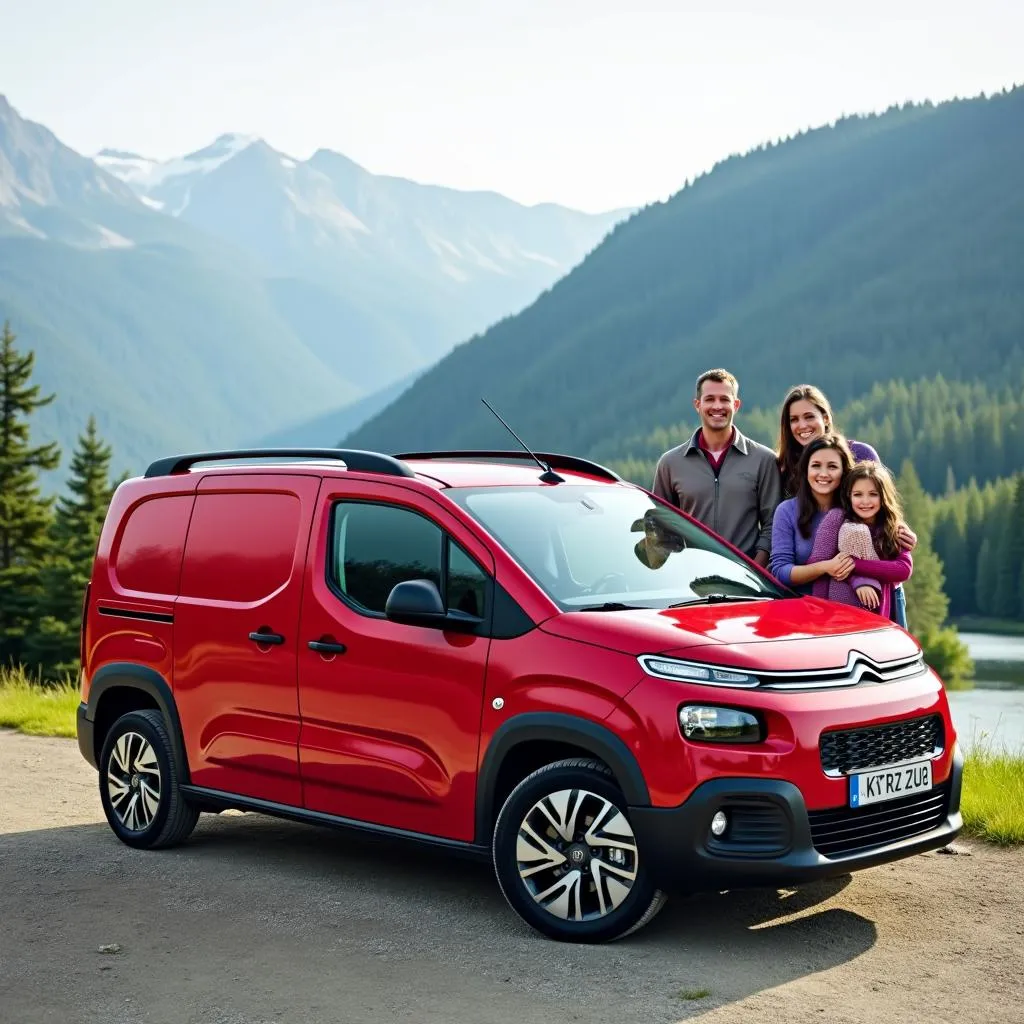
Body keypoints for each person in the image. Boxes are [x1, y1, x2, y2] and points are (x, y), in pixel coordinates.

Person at [775, 383, 915, 627]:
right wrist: (829, 567)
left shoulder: (859, 457)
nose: (802, 425)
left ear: (826, 417)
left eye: (810, 416)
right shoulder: (786, 474)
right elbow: (782, 564)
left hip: (878, 603)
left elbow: (880, 502)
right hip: (814, 612)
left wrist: (900, 530)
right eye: (794, 419)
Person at [652, 368, 782, 567]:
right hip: (688, 580)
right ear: (697, 405)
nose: (717, 406)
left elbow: (773, 523)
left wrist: (755, 569)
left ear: (736, 405)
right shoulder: (670, 463)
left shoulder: (763, 460)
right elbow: (660, 527)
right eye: (710, 399)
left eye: (724, 399)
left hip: (748, 581)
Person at [807, 461, 913, 620]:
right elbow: (819, 562)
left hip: (879, 614)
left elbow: (903, 569)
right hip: (837, 613)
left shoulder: (891, 527)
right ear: (849, 495)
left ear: (883, 497)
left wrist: (854, 564)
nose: (865, 501)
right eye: (858, 494)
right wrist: (819, 612)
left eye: (873, 494)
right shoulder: (837, 518)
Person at [769, 435, 856, 594]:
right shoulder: (786, 511)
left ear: (844, 471)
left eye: (832, 467)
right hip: (803, 609)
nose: (823, 474)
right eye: (816, 465)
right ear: (805, 469)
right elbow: (780, 571)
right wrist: (825, 567)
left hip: (853, 610)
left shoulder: (856, 509)